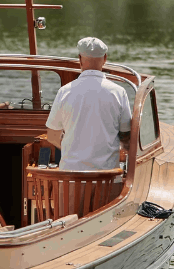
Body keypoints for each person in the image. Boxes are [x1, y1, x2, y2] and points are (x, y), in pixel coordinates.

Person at [45, 37, 132, 171]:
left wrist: (72, 151)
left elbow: (52, 135)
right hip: (106, 177)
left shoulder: (64, 91)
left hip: (70, 176)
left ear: (80, 59)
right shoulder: (119, 92)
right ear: (105, 58)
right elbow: (126, 136)